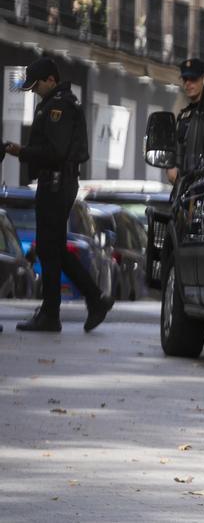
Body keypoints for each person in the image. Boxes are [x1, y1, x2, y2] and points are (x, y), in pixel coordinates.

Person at [6, 58, 111, 333]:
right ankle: (91, 299)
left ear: (51, 80)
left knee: (49, 246)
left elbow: (56, 152)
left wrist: (22, 151)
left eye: (36, 85)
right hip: (55, 182)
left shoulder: (58, 106)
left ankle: (55, 312)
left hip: (56, 183)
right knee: (52, 247)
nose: (33, 91)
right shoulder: (55, 103)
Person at [166, 58, 204, 184]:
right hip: (184, 186)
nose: (188, 84)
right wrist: (171, 167)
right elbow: (176, 147)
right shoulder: (183, 115)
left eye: (193, 79)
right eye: (185, 79)